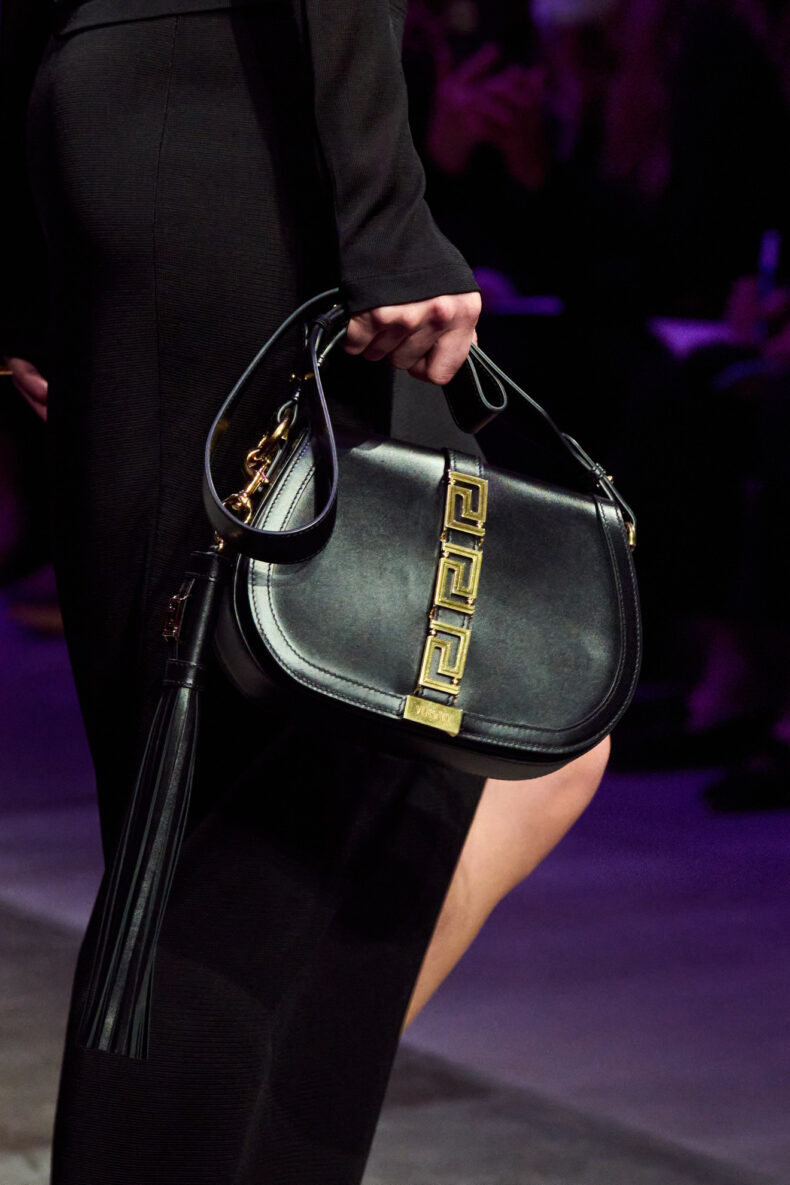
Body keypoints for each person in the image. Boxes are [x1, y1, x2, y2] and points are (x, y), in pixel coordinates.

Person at [1, 1, 610, 1181]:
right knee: (248, 821)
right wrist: (387, 224)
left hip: (139, 138)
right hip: (243, 153)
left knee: (388, 757)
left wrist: (26, 261)